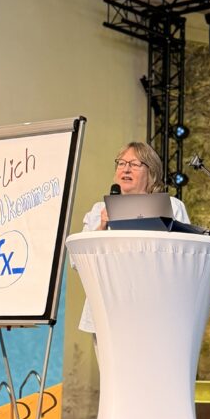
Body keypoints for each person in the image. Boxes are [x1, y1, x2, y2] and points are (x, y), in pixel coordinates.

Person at [78, 141, 190, 334]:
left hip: (155, 310)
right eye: (121, 163)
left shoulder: (171, 206)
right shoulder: (98, 211)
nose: (126, 169)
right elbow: (78, 260)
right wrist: (102, 226)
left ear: (151, 173)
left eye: (135, 164)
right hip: (107, 310)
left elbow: (185, 255)